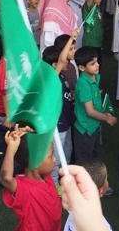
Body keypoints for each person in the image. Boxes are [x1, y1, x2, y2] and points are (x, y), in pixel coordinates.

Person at [0, 126, 62, 231]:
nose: (55, 159)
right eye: (51, 156)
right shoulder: (25, 189)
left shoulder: (45, 176)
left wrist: (31, 133)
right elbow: (6, 178)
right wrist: (11, 149)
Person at [41, 31, 78, 184]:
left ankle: (63, 180)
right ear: (55, 65)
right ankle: (54, 185)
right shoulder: (51, 79)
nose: (65, 63)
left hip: (66, 123)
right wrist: (71, 39)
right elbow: (63, 59)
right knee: (56, 158)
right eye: (61, 62)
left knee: (66, 154)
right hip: (58, 127)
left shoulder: (61, 76)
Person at [73, 46, 117, 162]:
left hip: (94, 126)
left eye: (97, 61)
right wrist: (107, 118)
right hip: (85, 129)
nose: (97, 65)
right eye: (92, 64)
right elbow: (90, 111)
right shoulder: (83, 84)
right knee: (85, 161)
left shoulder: (95, 77)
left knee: (94, 155)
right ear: (82, 67)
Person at [63, 160, 113, 230]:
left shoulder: (72, 206)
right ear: (100, 191)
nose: (107, 182)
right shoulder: (104, 227)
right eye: (106, 179)